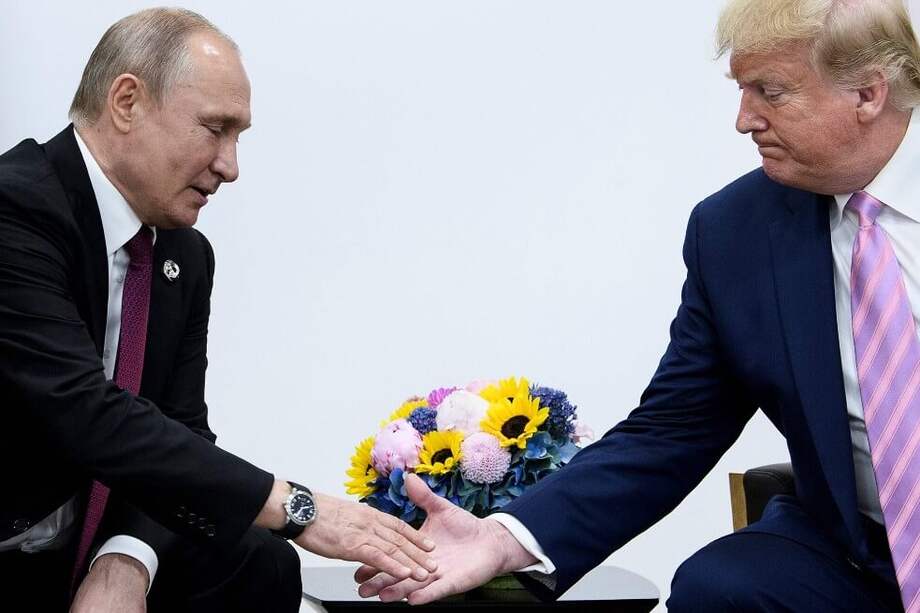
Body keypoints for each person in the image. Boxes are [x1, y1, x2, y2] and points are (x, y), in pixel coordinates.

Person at [356, 0, 920, 610]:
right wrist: (503, 538)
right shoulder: (735, 232)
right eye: (741, 89)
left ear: (867, 94)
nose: (743, 119)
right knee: (720, 587)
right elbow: (672, 429)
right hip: (856, 552)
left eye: (770, 92)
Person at [0, 8, 436, 612]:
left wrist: (125, 559)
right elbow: (80, 410)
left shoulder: (185, 253)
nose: (231, 167)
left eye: (239, 137)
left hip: (79, 545)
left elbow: (179, 429)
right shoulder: (14, 208)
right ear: (127, 102)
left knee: (260, 564)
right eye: (215, 128)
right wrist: (295, 507)